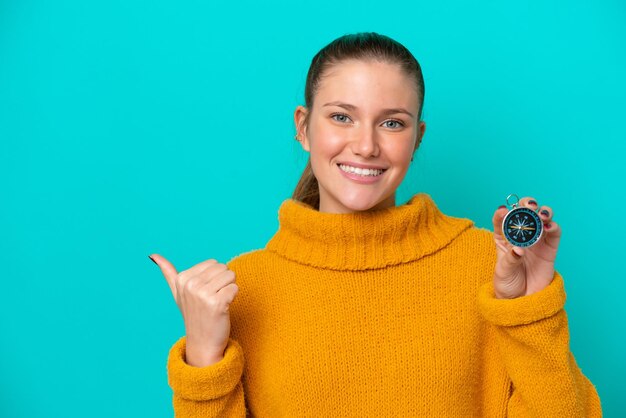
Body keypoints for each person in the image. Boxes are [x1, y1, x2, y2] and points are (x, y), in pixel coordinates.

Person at [149, 32, 602, 417]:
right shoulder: (244, 288)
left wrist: (530, 310)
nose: (366, 145)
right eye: (342, 117)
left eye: (391, 122)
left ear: (417, 139)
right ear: (304, 127)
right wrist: (204, 357)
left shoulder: (489, 266)